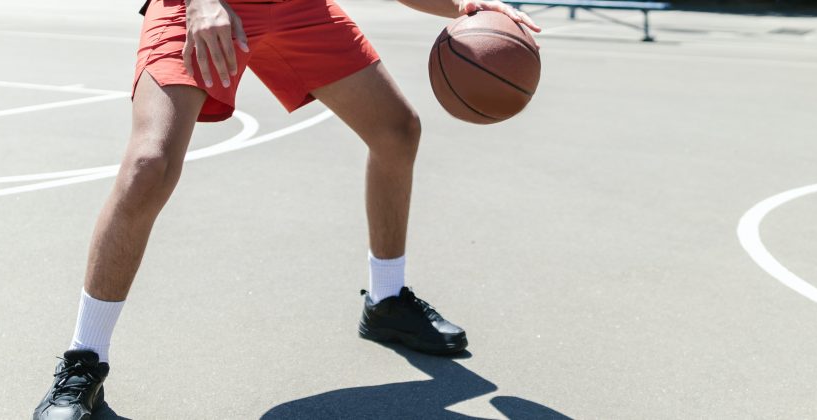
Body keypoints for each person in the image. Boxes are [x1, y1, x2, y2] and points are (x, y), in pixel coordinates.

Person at [33, 0, 540, 418]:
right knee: (150, 163)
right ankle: (84, 360)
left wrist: (461, 5)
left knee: (396, 129)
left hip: (298, 8)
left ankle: (386, 303)